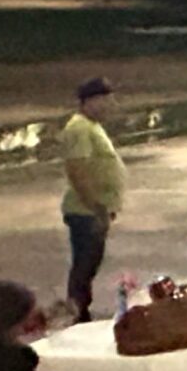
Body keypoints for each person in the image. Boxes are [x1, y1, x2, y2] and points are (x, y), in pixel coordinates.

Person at [60, 77, 126, 322]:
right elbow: (77, 171)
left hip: (94, 209)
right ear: (90, 101)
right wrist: (97, 208)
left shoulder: (90, 126)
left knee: (89, 264)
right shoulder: (79, 128)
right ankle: (77, 313)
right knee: (84, 266)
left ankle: (80, 310)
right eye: (105, 101)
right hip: (85, 211)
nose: (110, 107)